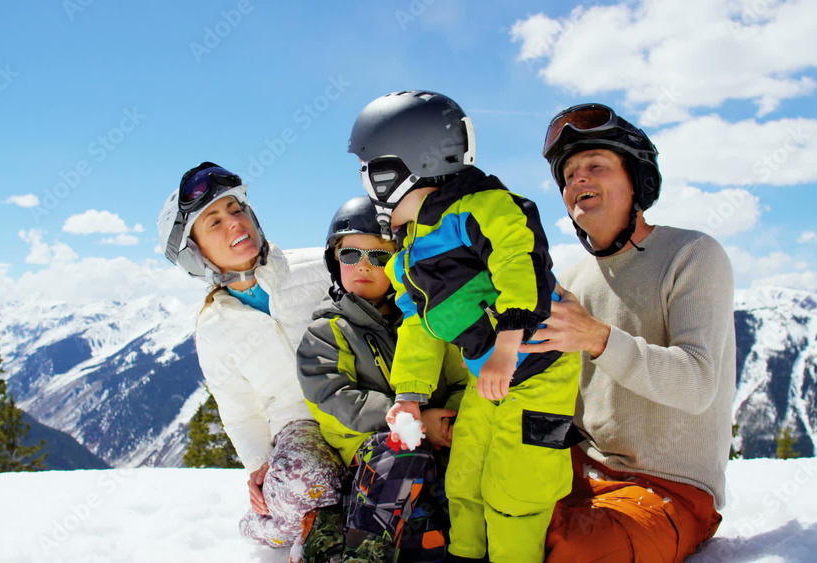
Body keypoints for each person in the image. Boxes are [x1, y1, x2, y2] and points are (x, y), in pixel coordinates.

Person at [348, 90, 581, 562]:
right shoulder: (412, 247)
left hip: (537, 369)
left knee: (515, 491)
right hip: (488, 376)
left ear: (405, 168)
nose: (368, 187)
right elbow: (418, 326)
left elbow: (522, 265)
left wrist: (508, 346)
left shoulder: (483, 208)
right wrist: (408, 396)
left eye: (371, 171)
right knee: (465, 479)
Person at [527, 103, 735, 562]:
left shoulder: (692, 254)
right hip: (580, 470)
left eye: (596, 166)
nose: (578, 180)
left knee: (574, 551)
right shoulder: (572, 280)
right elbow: (560, 396)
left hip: (669, 489)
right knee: (486, 516)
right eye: (569, 175)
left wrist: (598, 338)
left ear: (637, 181)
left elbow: (697, 384)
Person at [157, 162, 344, 561]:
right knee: (301, 481)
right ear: (194, 253)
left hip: (355, 402)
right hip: (298, 427)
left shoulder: (321, 267)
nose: (234, 223)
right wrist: (260, 466)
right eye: (214, 222)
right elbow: (239, 409)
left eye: (236, 209)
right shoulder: (214, 326)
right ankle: (271, 525)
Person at [297, 196, 468, 561]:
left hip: (437, 444)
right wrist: (415, 423)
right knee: (404, 448)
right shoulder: (327, 331)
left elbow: (461, 382)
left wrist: (450, 424)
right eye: (350, 254)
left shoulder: (426, 323)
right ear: (334, 261)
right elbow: (334, 397)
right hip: (370, 456)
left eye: (379, 257)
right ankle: (363, 555)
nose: (363, 265)